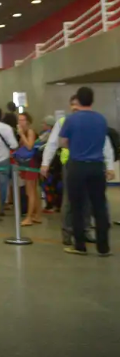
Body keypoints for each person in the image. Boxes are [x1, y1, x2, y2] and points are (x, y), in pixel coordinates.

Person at [41, 95, 113, 245]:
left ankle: (85, 230)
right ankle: (68, 232)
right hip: (71, 165)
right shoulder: (64, 121)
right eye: (72, 104)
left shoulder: (94, 121)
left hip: (89, 165)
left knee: (88, 201)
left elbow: (105, 144)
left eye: (77, 104)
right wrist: (45, 163)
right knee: (70, 201)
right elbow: (53, 143)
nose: (74, 107)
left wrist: (110, 166)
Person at [59, 87, 114, 256]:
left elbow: (63, 142)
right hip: (97, 166)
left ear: (78, 100)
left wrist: (76, 146)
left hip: (77, 166)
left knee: (77, 206)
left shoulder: (71, 119)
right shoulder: (101, 119)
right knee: (99, 206)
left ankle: (80, 246)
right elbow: (103, 141)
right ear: (92, 100)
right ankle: (103, 247)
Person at [17, 113, 42, 226]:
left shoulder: (30, 131)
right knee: (33, 191)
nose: (20, 122)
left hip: (31, 163)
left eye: (22, 120)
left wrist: (22, 134)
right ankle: (37, 215)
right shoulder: (25, 132)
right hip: (27, 163)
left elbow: (29, 146)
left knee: (30, 191)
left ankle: (29, 217)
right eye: (19, 120)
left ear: (27, 121)